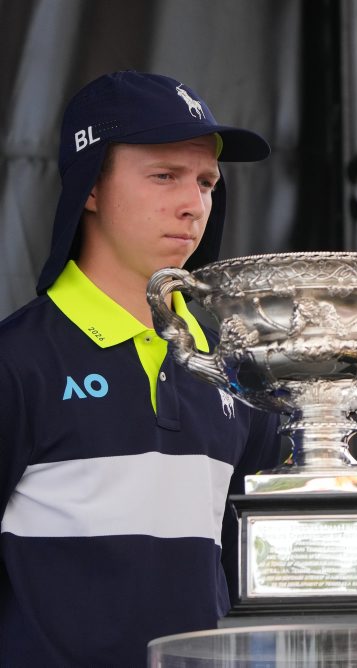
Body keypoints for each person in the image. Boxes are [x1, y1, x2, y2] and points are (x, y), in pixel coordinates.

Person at [0, 71, 282, 665]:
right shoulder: (17, 361)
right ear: (91, 186)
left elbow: (262, 571)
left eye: (207, 182)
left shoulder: (236, 365)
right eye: (164, 176)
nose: (193, 205)